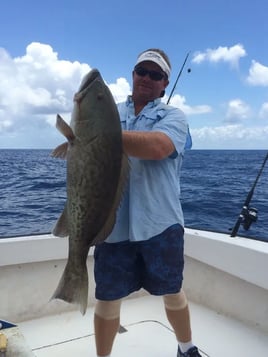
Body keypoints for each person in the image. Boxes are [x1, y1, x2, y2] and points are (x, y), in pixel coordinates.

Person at [93, 48, 201, 357]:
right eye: (142, 70)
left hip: (160, 223)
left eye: (156, 74)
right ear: (133, 74)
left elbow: (158, 146)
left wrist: (98, 132)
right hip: (113, 223)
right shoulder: (108, 111)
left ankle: (186, 347)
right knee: (107, 297)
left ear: (165, 84)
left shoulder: (174, 117)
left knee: (172, 290)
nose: (147, 78)